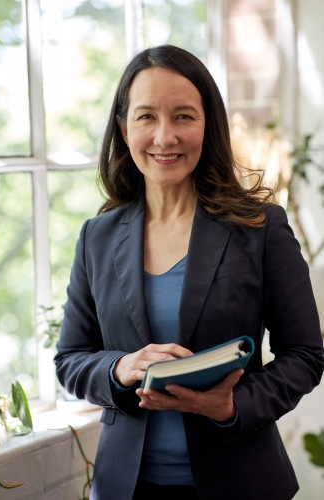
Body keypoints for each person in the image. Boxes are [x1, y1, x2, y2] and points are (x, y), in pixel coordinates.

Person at [54, 45, 324, 500]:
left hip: (240, 482)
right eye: (146, 117)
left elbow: (305, 355)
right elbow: (70, 359)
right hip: (127, 487)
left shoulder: (259, 227)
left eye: (183, 116)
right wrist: (121, 367)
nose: (165, 137)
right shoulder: (96, 237)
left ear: (208, 125)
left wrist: (230, 405)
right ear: (123, 129)